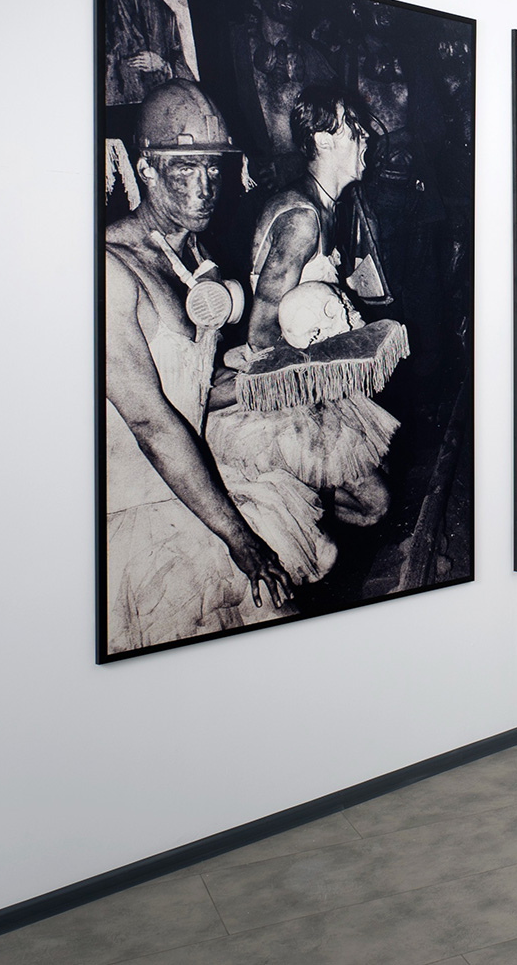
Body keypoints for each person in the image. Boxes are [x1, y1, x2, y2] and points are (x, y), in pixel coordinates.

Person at [103, 80, 330, 653]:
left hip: (192, 471)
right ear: (145, 168)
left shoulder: (191, 254)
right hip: (142, 504)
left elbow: (198, 388)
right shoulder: (109, 270)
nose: (205, 186)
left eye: (214, 166)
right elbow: (152, 423)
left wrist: (291, 371)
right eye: (186, 167)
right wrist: (240, 539)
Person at [207, 87, 398, 527]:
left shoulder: (327, 207)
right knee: (376, 504)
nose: (367, 137)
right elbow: (261, 333)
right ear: (323, 139)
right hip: (279, 386)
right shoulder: (302, 219)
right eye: (355, 129)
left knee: (376, 478)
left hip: (305, 373)